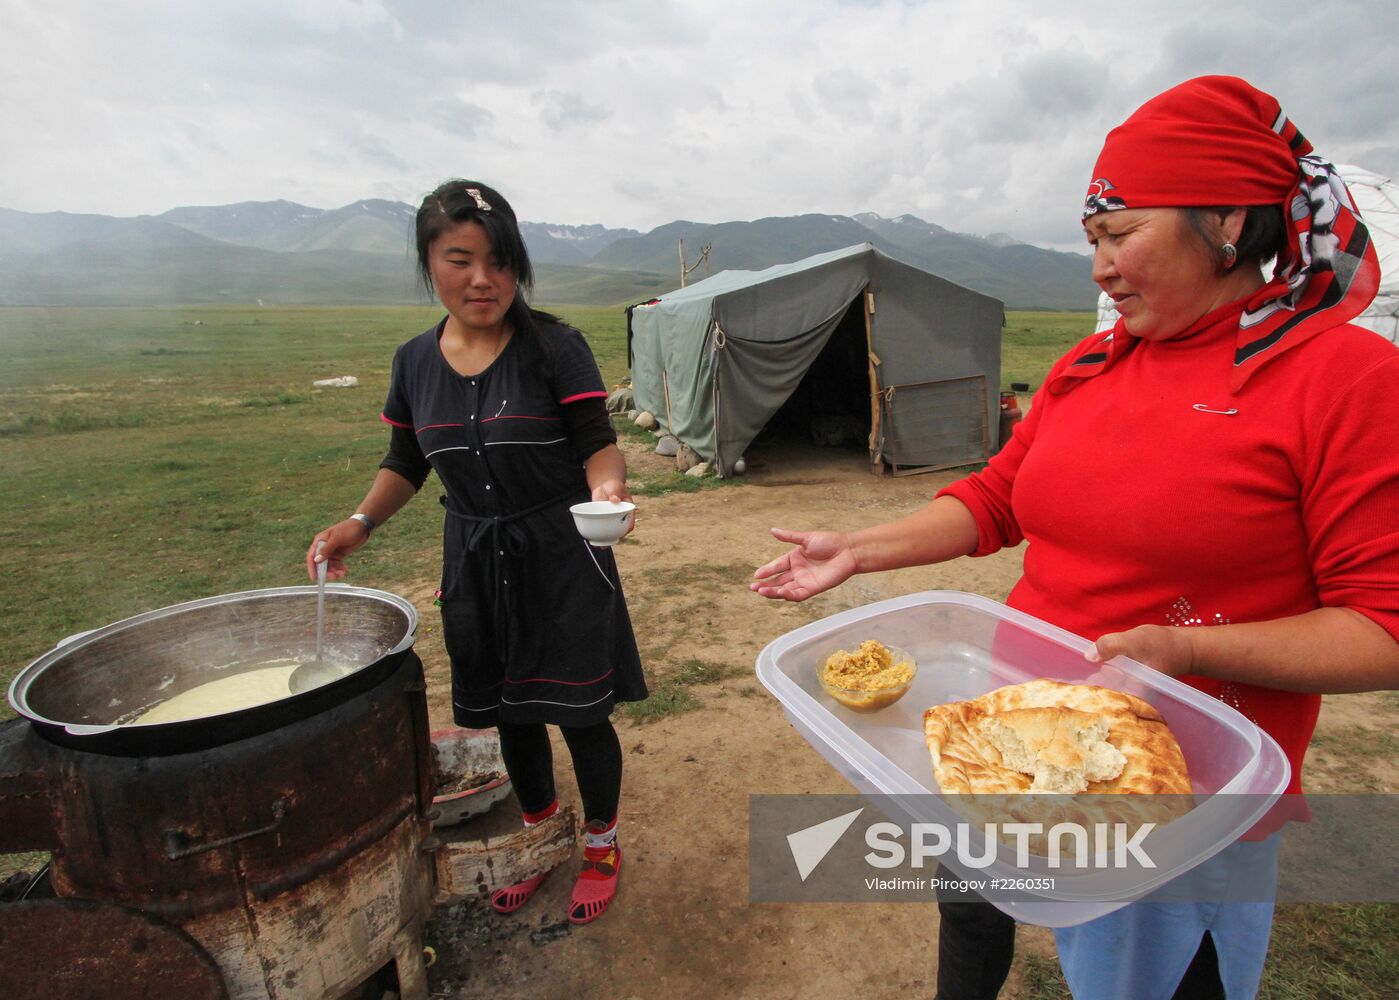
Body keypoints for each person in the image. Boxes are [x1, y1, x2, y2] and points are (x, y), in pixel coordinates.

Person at [752, 75, 1399, 999]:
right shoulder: (1089, 365)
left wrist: (1176, 650)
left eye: (1119, 234)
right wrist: (860, 546)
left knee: (1157, 978)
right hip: (1006, 721)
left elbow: (1384, 626)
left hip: (1169, 782)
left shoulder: (1342, 377)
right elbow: (996, 500)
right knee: (971, 915)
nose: (1097, 266)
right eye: (1091, 240)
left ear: (1225, 221)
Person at [308, 179, 647, 925]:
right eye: (459, 259)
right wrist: (358, 523)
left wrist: (610, 495)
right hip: (474, 561)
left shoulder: (554, 346)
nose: (482, 278)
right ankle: (537, 836)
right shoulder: (413, 362)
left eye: (498, 260)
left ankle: (600, 843)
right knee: (511, 715)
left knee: (582, 714)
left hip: (562, 555)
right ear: (430, 263)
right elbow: (406, 460)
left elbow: (597, 445)